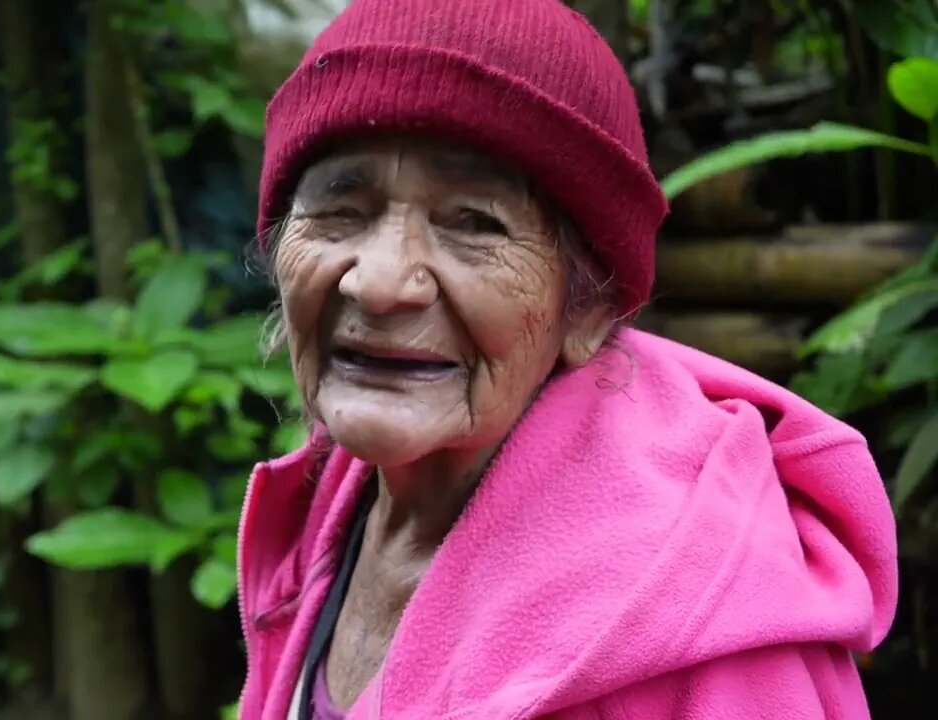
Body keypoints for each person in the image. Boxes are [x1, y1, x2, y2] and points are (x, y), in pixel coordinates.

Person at [235, 0, 898, 718]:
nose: (380, 281)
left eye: (474, 224)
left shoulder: (706, 638)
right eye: (339, 211)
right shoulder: (338, 499)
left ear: (586, 309)